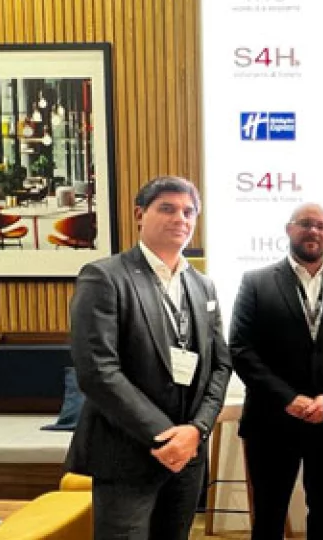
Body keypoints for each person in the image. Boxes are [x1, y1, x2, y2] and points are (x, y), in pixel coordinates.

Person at [65, 175, 233, 540]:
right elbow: (98, 371)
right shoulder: (104, 277)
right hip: (127, 452)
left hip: (188, 453)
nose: (180, 218)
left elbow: (221, 365)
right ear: (140, 214)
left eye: (189, 211)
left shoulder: (202, 285)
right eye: (167, 208)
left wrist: (197, 430)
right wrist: (164, 436)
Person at [229, 203, 323, 539]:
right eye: (305, 223)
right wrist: (288, 398)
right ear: (288, 229)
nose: (313, 231)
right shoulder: (256, 282)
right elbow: (240, 349)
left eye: (321, 226)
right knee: (268, 516)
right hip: (271, 420)